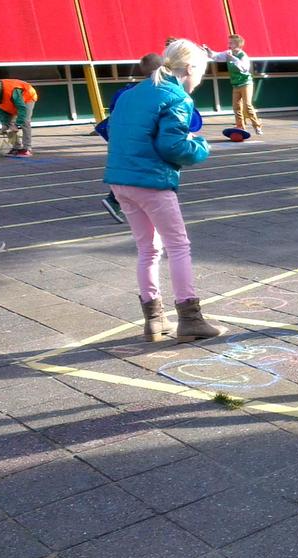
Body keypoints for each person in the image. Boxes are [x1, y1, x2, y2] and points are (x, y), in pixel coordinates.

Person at [104, 39, 226, 343]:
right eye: (201, 74)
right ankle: (190, 319)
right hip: (152, 182)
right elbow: (171, 146)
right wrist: (201, 146)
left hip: (120, 181)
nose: (199, 81)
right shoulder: (176, 97)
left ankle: (154, 320)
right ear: (189, 69)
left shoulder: (133, 93)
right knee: (178, 246)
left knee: (148, 249)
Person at [99, 53, 164, 224]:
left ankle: (117, 199)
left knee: (132, 168)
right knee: (144, 169)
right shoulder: (157, 90)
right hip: (141, 139)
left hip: (125, 138)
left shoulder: (131, 91)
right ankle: (116, 200)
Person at [203, 35, 263, 135]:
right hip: (236, 84)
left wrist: (234, 59)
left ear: (237, 45)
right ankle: (240, 127)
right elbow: (216, 57)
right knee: (236, 107)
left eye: (231, 43)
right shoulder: (228, 53)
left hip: (246, 83)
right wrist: (208, 51)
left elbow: (245, 68)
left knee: (247, 105)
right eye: (229, 42)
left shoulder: (243, 55)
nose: (228, 45)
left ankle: (257, 126)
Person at [0, 75, 38, 157]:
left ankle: (27, 149)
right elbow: (2, 108)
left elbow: (21, 108)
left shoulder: (12, 90)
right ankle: (16, 147)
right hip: (13, 100)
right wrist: (4, 124)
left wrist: (17, 125)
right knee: (9, 124)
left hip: (27, 96)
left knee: (25, 122)